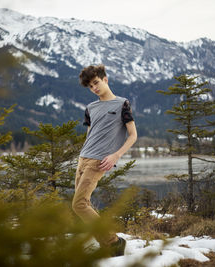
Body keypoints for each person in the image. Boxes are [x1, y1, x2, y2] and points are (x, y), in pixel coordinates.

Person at [72, 64, 137, 257]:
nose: (94, 88)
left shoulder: (122, 104)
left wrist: (115, 155)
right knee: (84, 204)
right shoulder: (90, 107)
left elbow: (133, 135)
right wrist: (82, 155)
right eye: (90, 87)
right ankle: (106, 244)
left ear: (105, 79)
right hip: (83, 159)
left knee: (79, 204)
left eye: (96, 83)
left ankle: (114, 242)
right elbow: (90, 134)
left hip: (98, 161)